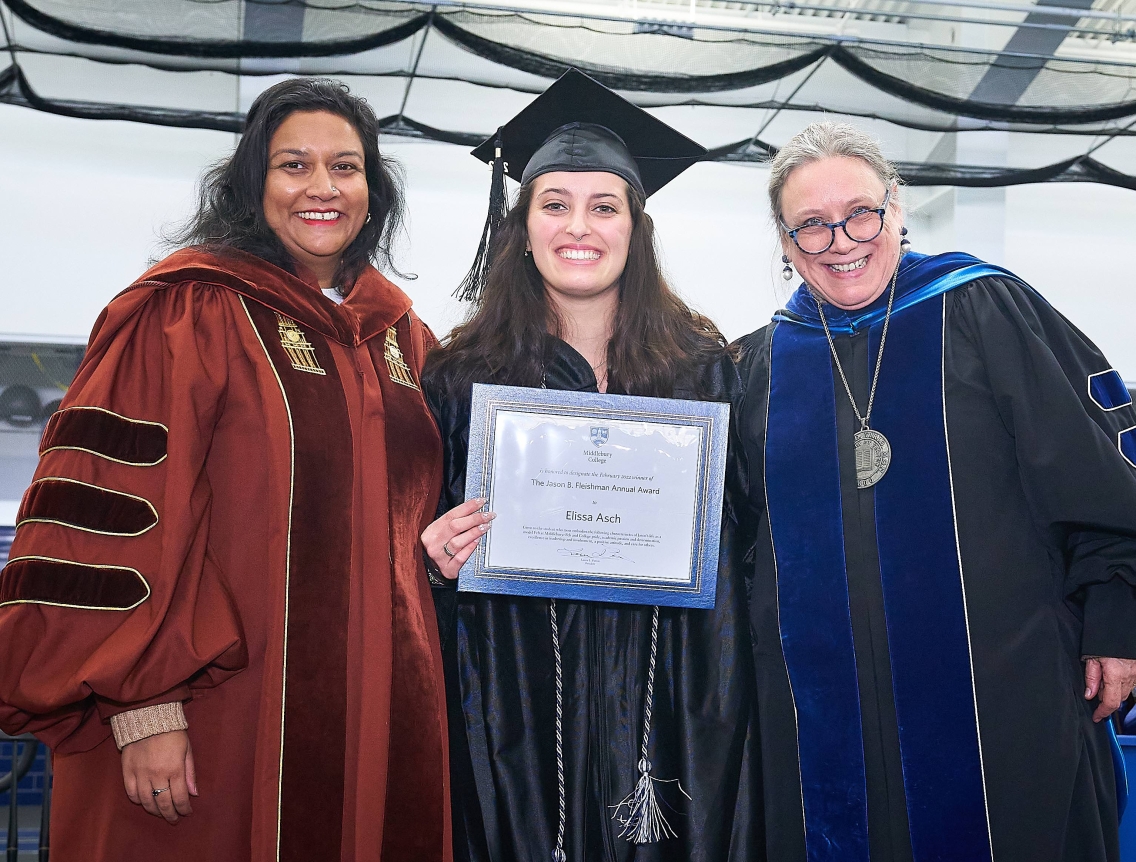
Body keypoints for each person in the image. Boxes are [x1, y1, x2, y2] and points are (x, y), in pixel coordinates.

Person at [0, 78, 451, 862]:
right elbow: (114, 513)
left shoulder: (403, 341)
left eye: (345, 167)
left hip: (376, 716)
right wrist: (142, 705)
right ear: (253, 183)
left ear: (372, 193)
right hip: (213, 714)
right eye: (294, 165)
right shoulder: (186, 311)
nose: (322, 187)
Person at [734, 120, 1136, 861]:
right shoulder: (762, 363)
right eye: (812, 227)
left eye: (861, 213)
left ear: (896, 204)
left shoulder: (984, 309)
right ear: (786, 244)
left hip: (1004, 703)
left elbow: (1104, 474)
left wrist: (1116, 618)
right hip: (823, 723)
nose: (843, 240)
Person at [420, 69, 761, 862]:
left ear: (635, 228)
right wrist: (434, 557)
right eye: (555, 204)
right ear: (523, 225)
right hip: (513, 691)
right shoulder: (460, 375)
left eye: (604, 206)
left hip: (670, 690)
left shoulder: (701, 367)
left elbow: (747, 539)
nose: (581, 227)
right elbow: (410, 540)